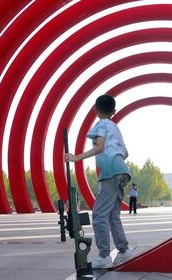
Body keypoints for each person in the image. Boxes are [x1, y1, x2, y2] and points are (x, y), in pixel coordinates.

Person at [64, 94, 133, 269]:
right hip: (122, 172)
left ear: (96, 109)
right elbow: (125, 153)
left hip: (110, 172)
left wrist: (76, 158)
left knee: (99, 215)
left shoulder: (101, 125)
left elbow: (100, 146)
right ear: (114, 111)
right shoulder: (115, 128)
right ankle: (123, 251)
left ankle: (104, 256)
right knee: (112, 215)